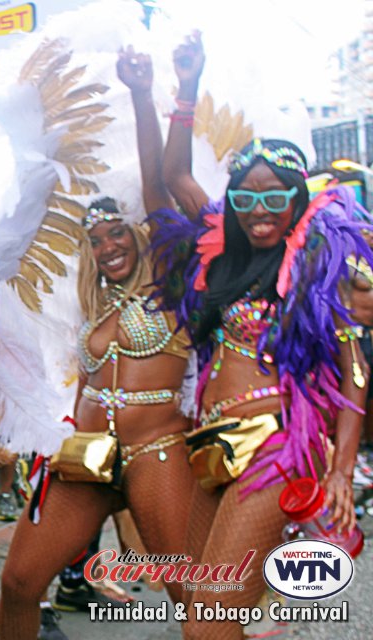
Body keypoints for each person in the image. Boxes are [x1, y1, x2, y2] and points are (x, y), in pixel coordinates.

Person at [153, 34, 368, 639]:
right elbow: (174, 175)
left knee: (211, 624)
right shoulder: (222, 257)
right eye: (247, 197)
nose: (259, 210)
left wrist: (341, 473)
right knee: (202, 611)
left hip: (278, 445)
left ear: (298, 198)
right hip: (212, 443)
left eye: (276, 197)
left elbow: (355, 371)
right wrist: (186, 86)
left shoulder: (316, 266)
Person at [0, 48, 197, 639]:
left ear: (139, 236)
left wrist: (143, 93)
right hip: (85, 454)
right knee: (18, 583)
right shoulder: (91, 305)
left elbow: (161, 186)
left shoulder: (170, 285)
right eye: (98, 240)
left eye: (119, 234)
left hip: (154, 448)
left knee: (192, 593)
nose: (109, 246)